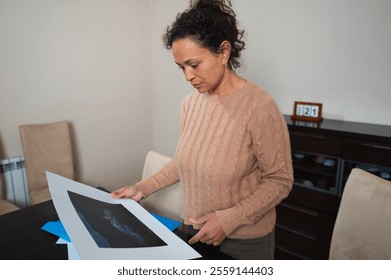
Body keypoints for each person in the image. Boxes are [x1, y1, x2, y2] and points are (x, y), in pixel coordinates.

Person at [112, 0, 293, 260]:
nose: (187, 76)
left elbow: (279, 180)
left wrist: (228, 219)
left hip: (244, 243)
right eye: (181, 67)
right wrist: (142, 187)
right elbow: (186, 160)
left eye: (193, 64)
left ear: (223, 52)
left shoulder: (260, 106)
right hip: (195, 232)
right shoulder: (190, 104)